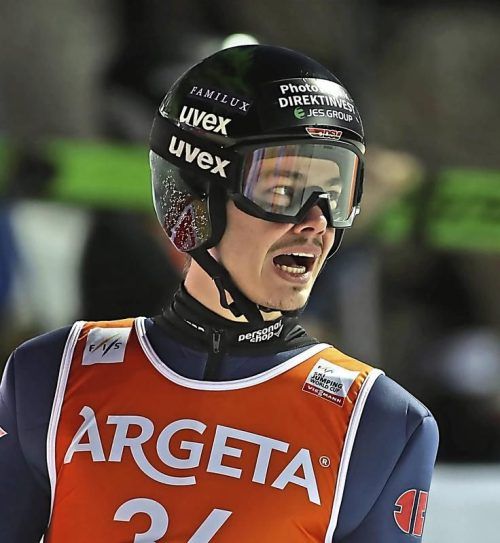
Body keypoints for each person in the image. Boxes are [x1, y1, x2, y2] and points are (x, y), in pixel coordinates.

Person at [0, 45, 438, 542]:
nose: (315, 222)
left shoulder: (381, 422)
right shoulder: (53, 374)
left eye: (335, 195)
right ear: (197, 193)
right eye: (282, 190)